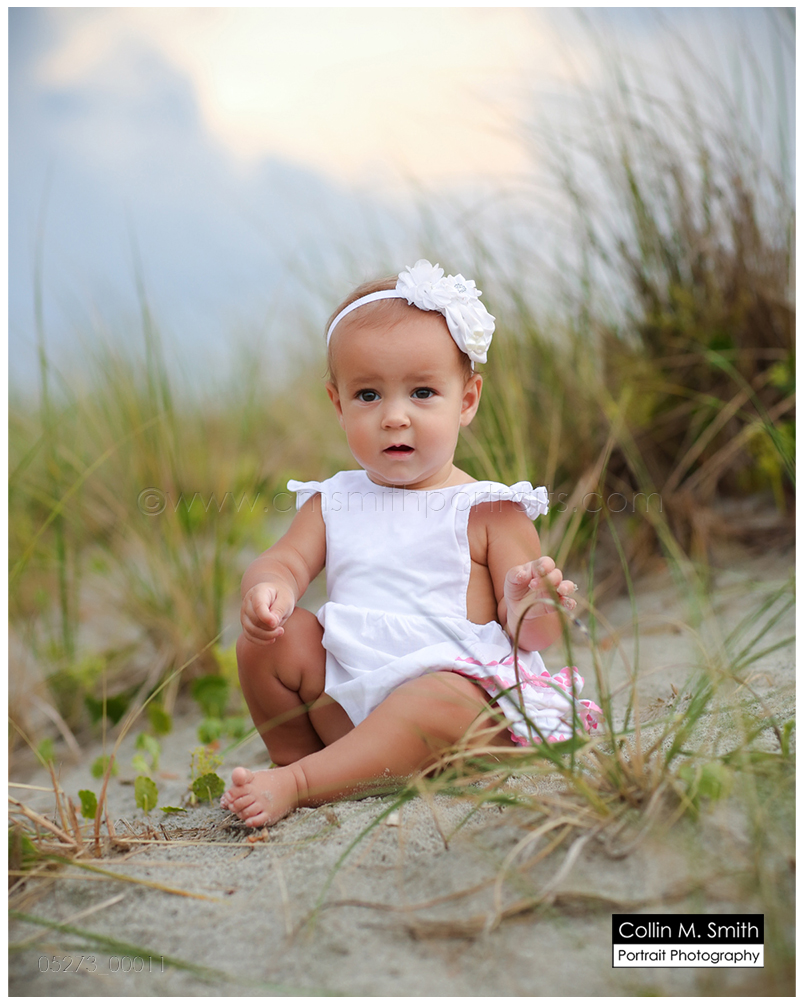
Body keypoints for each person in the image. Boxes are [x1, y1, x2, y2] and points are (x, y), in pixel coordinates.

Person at [222, 260, 600, 827]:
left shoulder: (488, 509)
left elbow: (534, 635)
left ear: (466, 400)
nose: (394, 417)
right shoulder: (335, 501)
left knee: (437, 695)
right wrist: (269, 587)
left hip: (460, 718)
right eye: (368, 395)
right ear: (338, 404)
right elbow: (287, 560)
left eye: (423, 393)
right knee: (271, 643)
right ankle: (303, 761)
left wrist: (532, 605)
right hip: (350, 703)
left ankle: (303, 783)